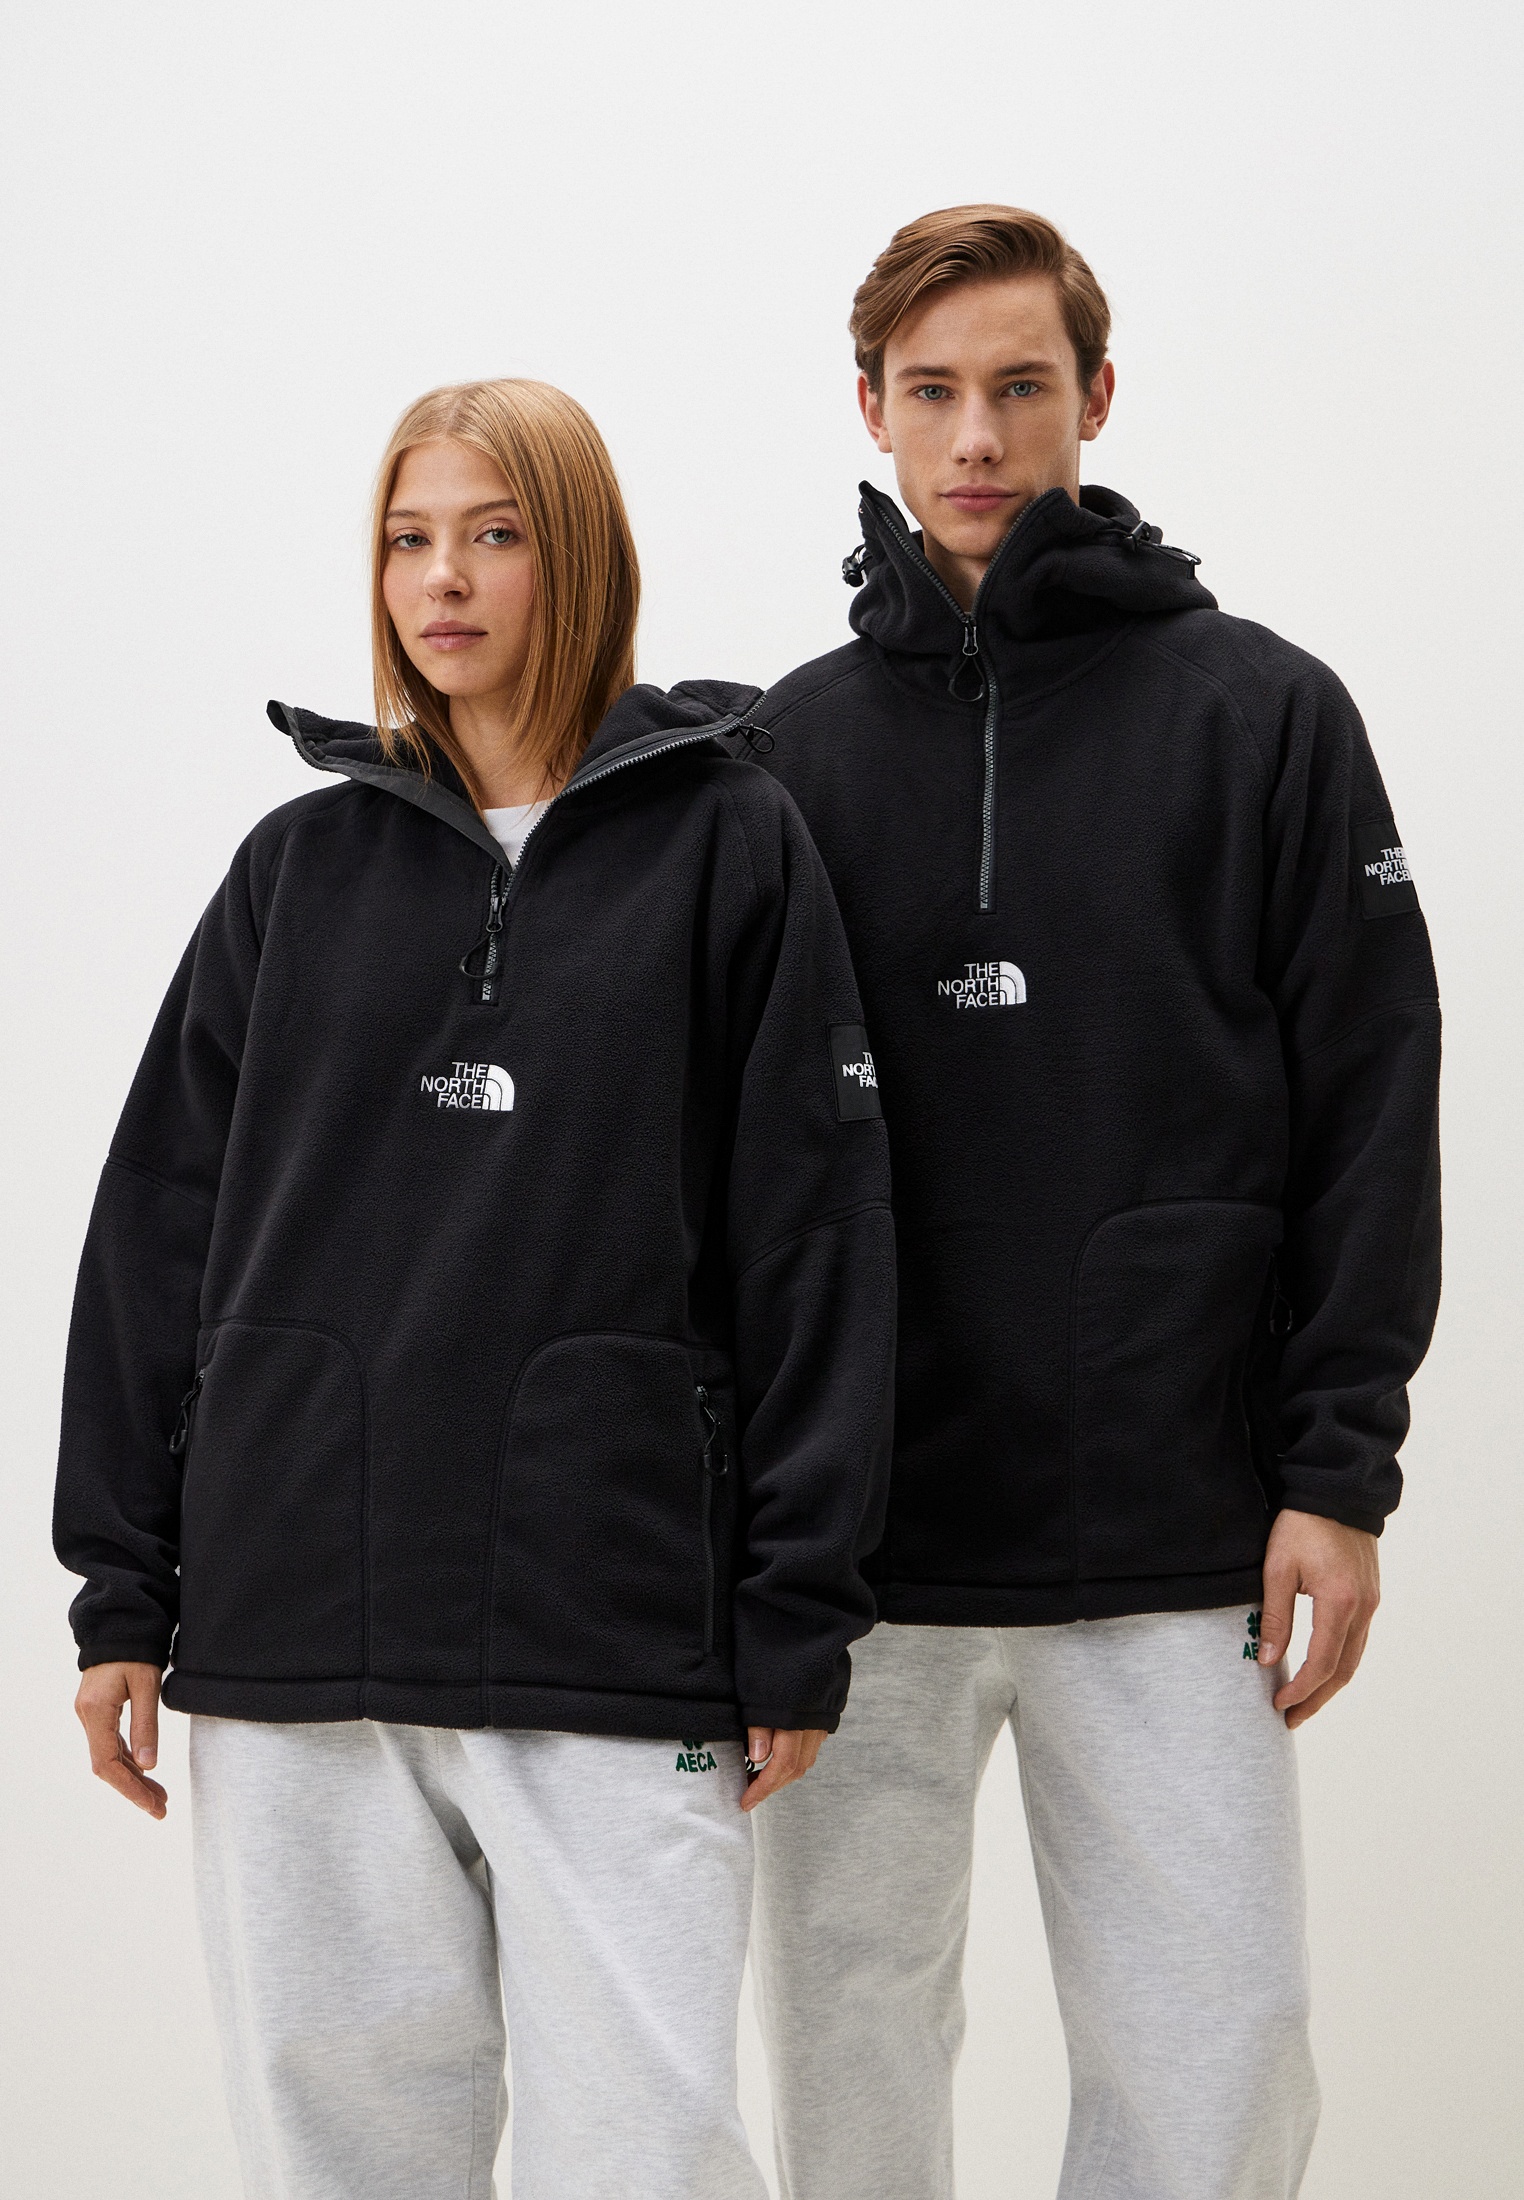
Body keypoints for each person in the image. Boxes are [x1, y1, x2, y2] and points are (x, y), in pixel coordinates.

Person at [54, 377, 896, 2200]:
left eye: (494, 535)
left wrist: (796, 1609)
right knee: (342, 2157)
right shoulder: (294, 870)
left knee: (650, 2152)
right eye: (408, 538)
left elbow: (815, 1240)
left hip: (612, 1628)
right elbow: (156, 1232)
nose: (442, 580)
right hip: (299, 1627)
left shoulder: (730, 846)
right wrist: (122, 1588)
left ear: (576, 556)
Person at [747, 207, 1441, 2200]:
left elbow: (1373, 1099)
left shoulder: (1264, 714)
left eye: (1021, 386)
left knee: (1221, 2048)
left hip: (1177, 1525)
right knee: (847, 2054)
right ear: (871, 409)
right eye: (935, 391)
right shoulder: (782, 752)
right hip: (860, 1553)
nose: (978, 435)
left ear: (1097, 397)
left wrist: (1339, 1473)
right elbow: (723, 1163)